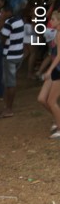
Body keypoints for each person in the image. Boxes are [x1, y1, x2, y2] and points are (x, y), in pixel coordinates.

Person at [0, 5, 24, 119]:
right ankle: (7, 107)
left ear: (8, 11)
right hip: (18, 54)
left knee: (9, 84)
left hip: (10, 55)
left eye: (2, 12)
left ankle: (8, 109)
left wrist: (1, 21)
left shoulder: (8, 23)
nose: (1, 14)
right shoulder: (19, 20)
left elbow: (2, 39)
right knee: (9, 82)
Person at [38, 11, 60, 139]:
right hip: (55, 69)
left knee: (51, 101)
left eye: (53, 19)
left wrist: (49, 70)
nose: (50, 21)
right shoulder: (56, 33)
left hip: (56, 69)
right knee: (42, 98)